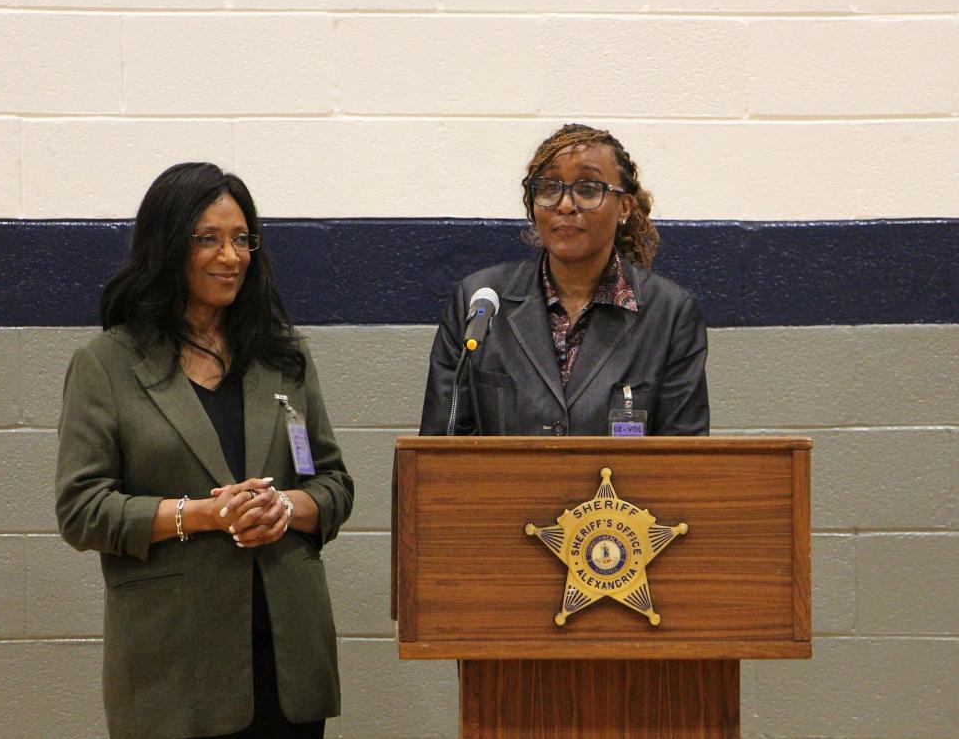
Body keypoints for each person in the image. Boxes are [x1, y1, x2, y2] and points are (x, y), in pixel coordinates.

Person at [55, 163, 353, 739]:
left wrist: (284, 508)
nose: (231, 256)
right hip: (173, 667)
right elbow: (82, 510)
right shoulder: (107, 365)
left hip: (286, 663)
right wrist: (206, 515)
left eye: (242, 239)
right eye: (209, 240)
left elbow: (333, 486)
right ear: (168, 247)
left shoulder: (284, 357)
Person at [420, 123, 709, 436]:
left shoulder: (670, 314)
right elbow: (440, 449)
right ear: (532, 204)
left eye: (588, 189)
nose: (566, 205)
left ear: (624, 206)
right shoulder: (480, 300)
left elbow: (683, 460)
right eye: (549, 188)